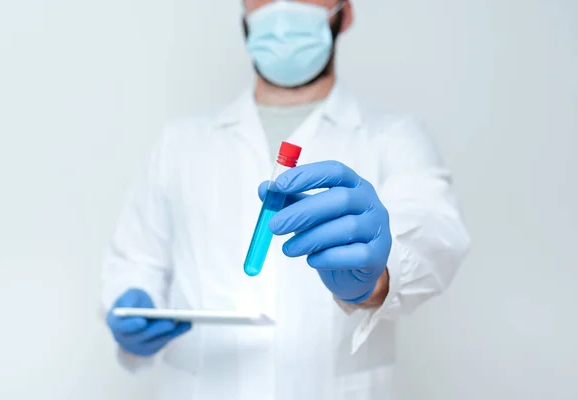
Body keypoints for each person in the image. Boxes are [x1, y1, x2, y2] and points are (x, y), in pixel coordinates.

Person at [101, 0, 470, 399]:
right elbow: (135, 261)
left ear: (344, 14)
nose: (283, 5)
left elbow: (435, 236)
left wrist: (375, 279)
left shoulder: (395, 137)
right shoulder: (179, 143)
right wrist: (131, 309)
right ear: (244, 15)